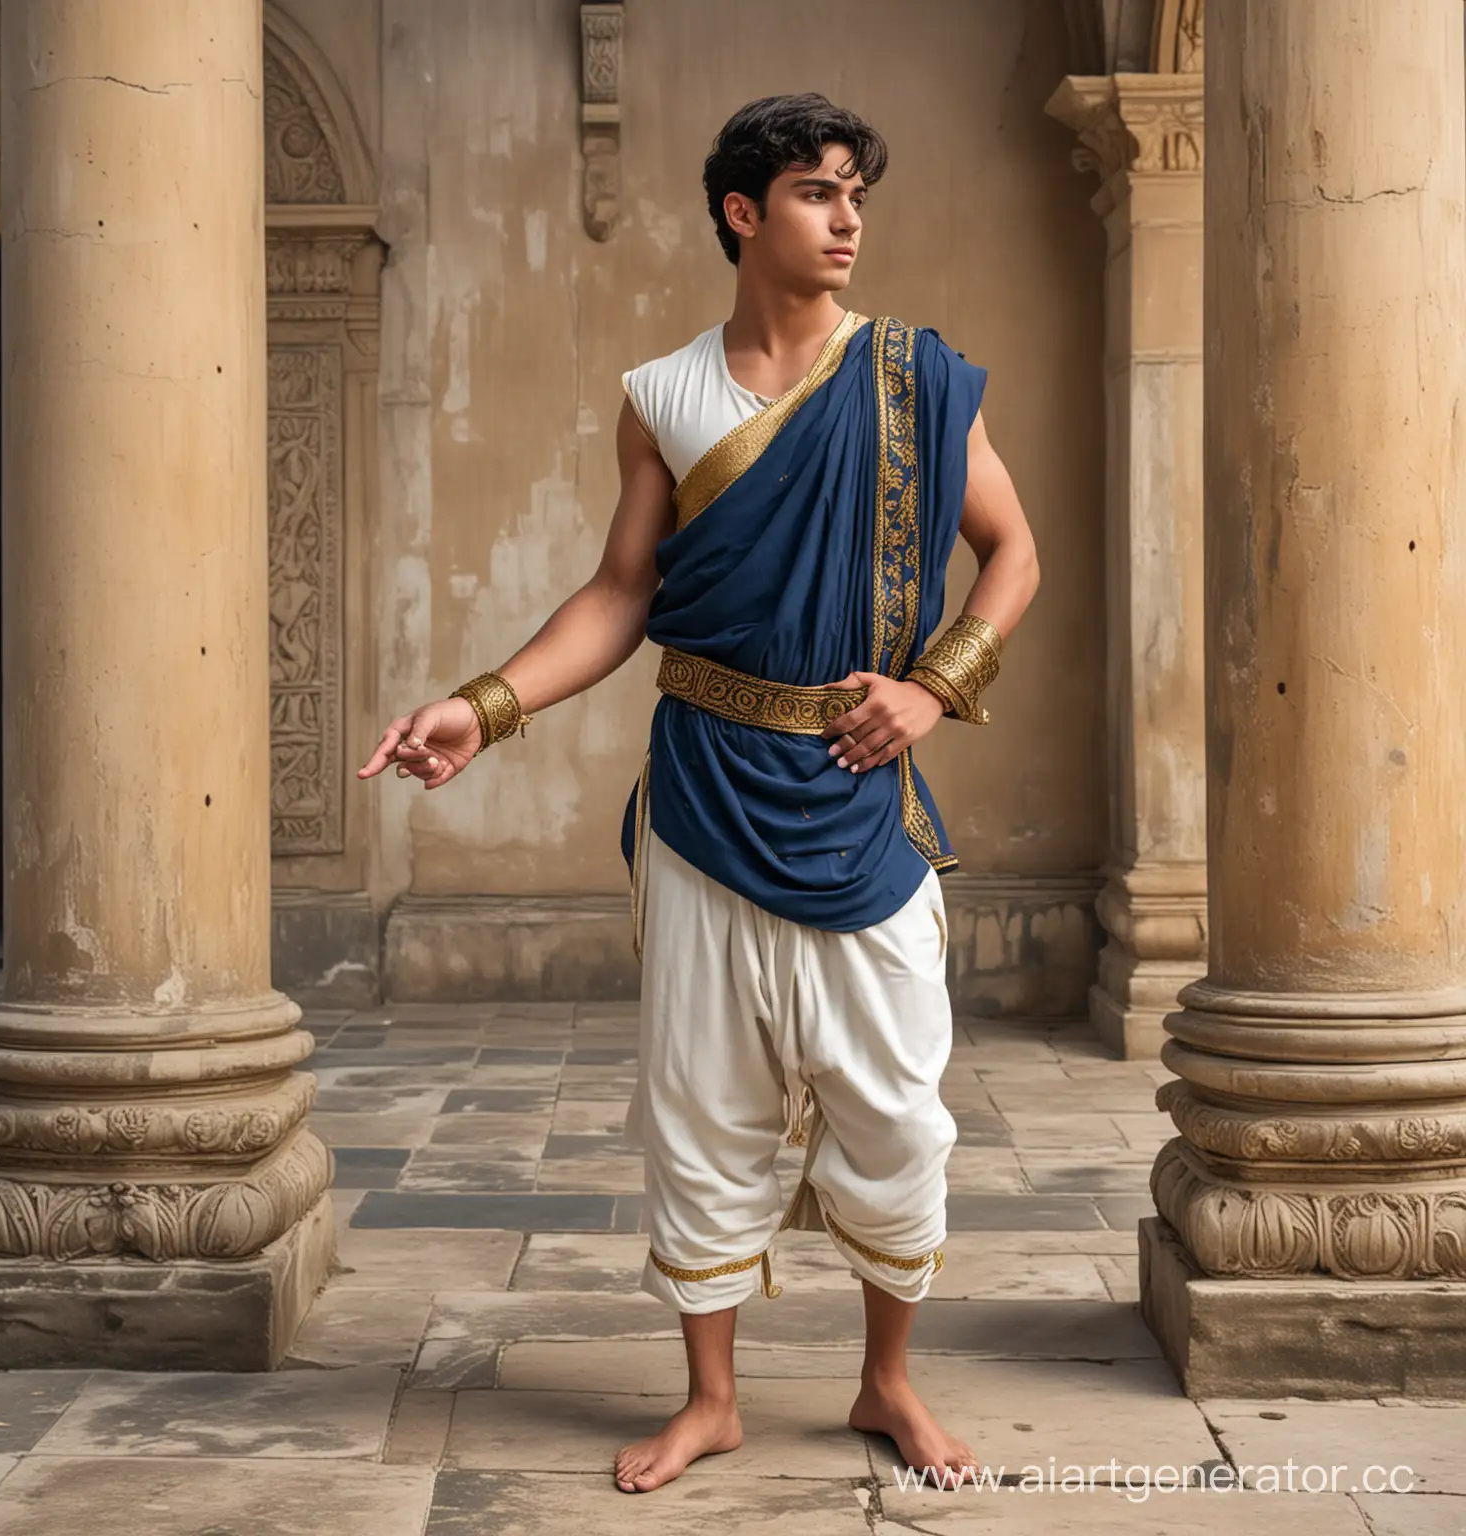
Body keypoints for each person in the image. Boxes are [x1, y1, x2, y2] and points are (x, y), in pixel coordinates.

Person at [358, 92, 1039, 1495]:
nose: (848, 219)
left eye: (857, 194)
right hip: (704, 798)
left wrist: (934, 686)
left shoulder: (913, 380)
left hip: (860, 795)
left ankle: (885, 1382)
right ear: (744, 212)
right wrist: (480, 710)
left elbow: (1013, 552)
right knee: (701, 1105)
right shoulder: (664, 397)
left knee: (900, 1111)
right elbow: (622, 596)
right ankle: (711, 1398)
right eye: (816, 192)